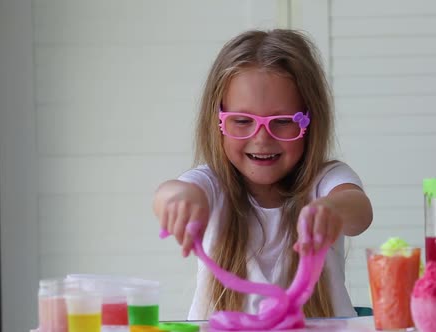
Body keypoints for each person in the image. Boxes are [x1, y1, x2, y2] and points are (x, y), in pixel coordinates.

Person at [152, 29, 373, 320]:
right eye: (242, 121)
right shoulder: (212, 185)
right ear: (216, 120)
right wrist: (178, 200)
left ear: (311, 121)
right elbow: (173, 192)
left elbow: (358, 211)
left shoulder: (325, 181)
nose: (262, 138)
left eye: (282, 121)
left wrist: (331, 210)